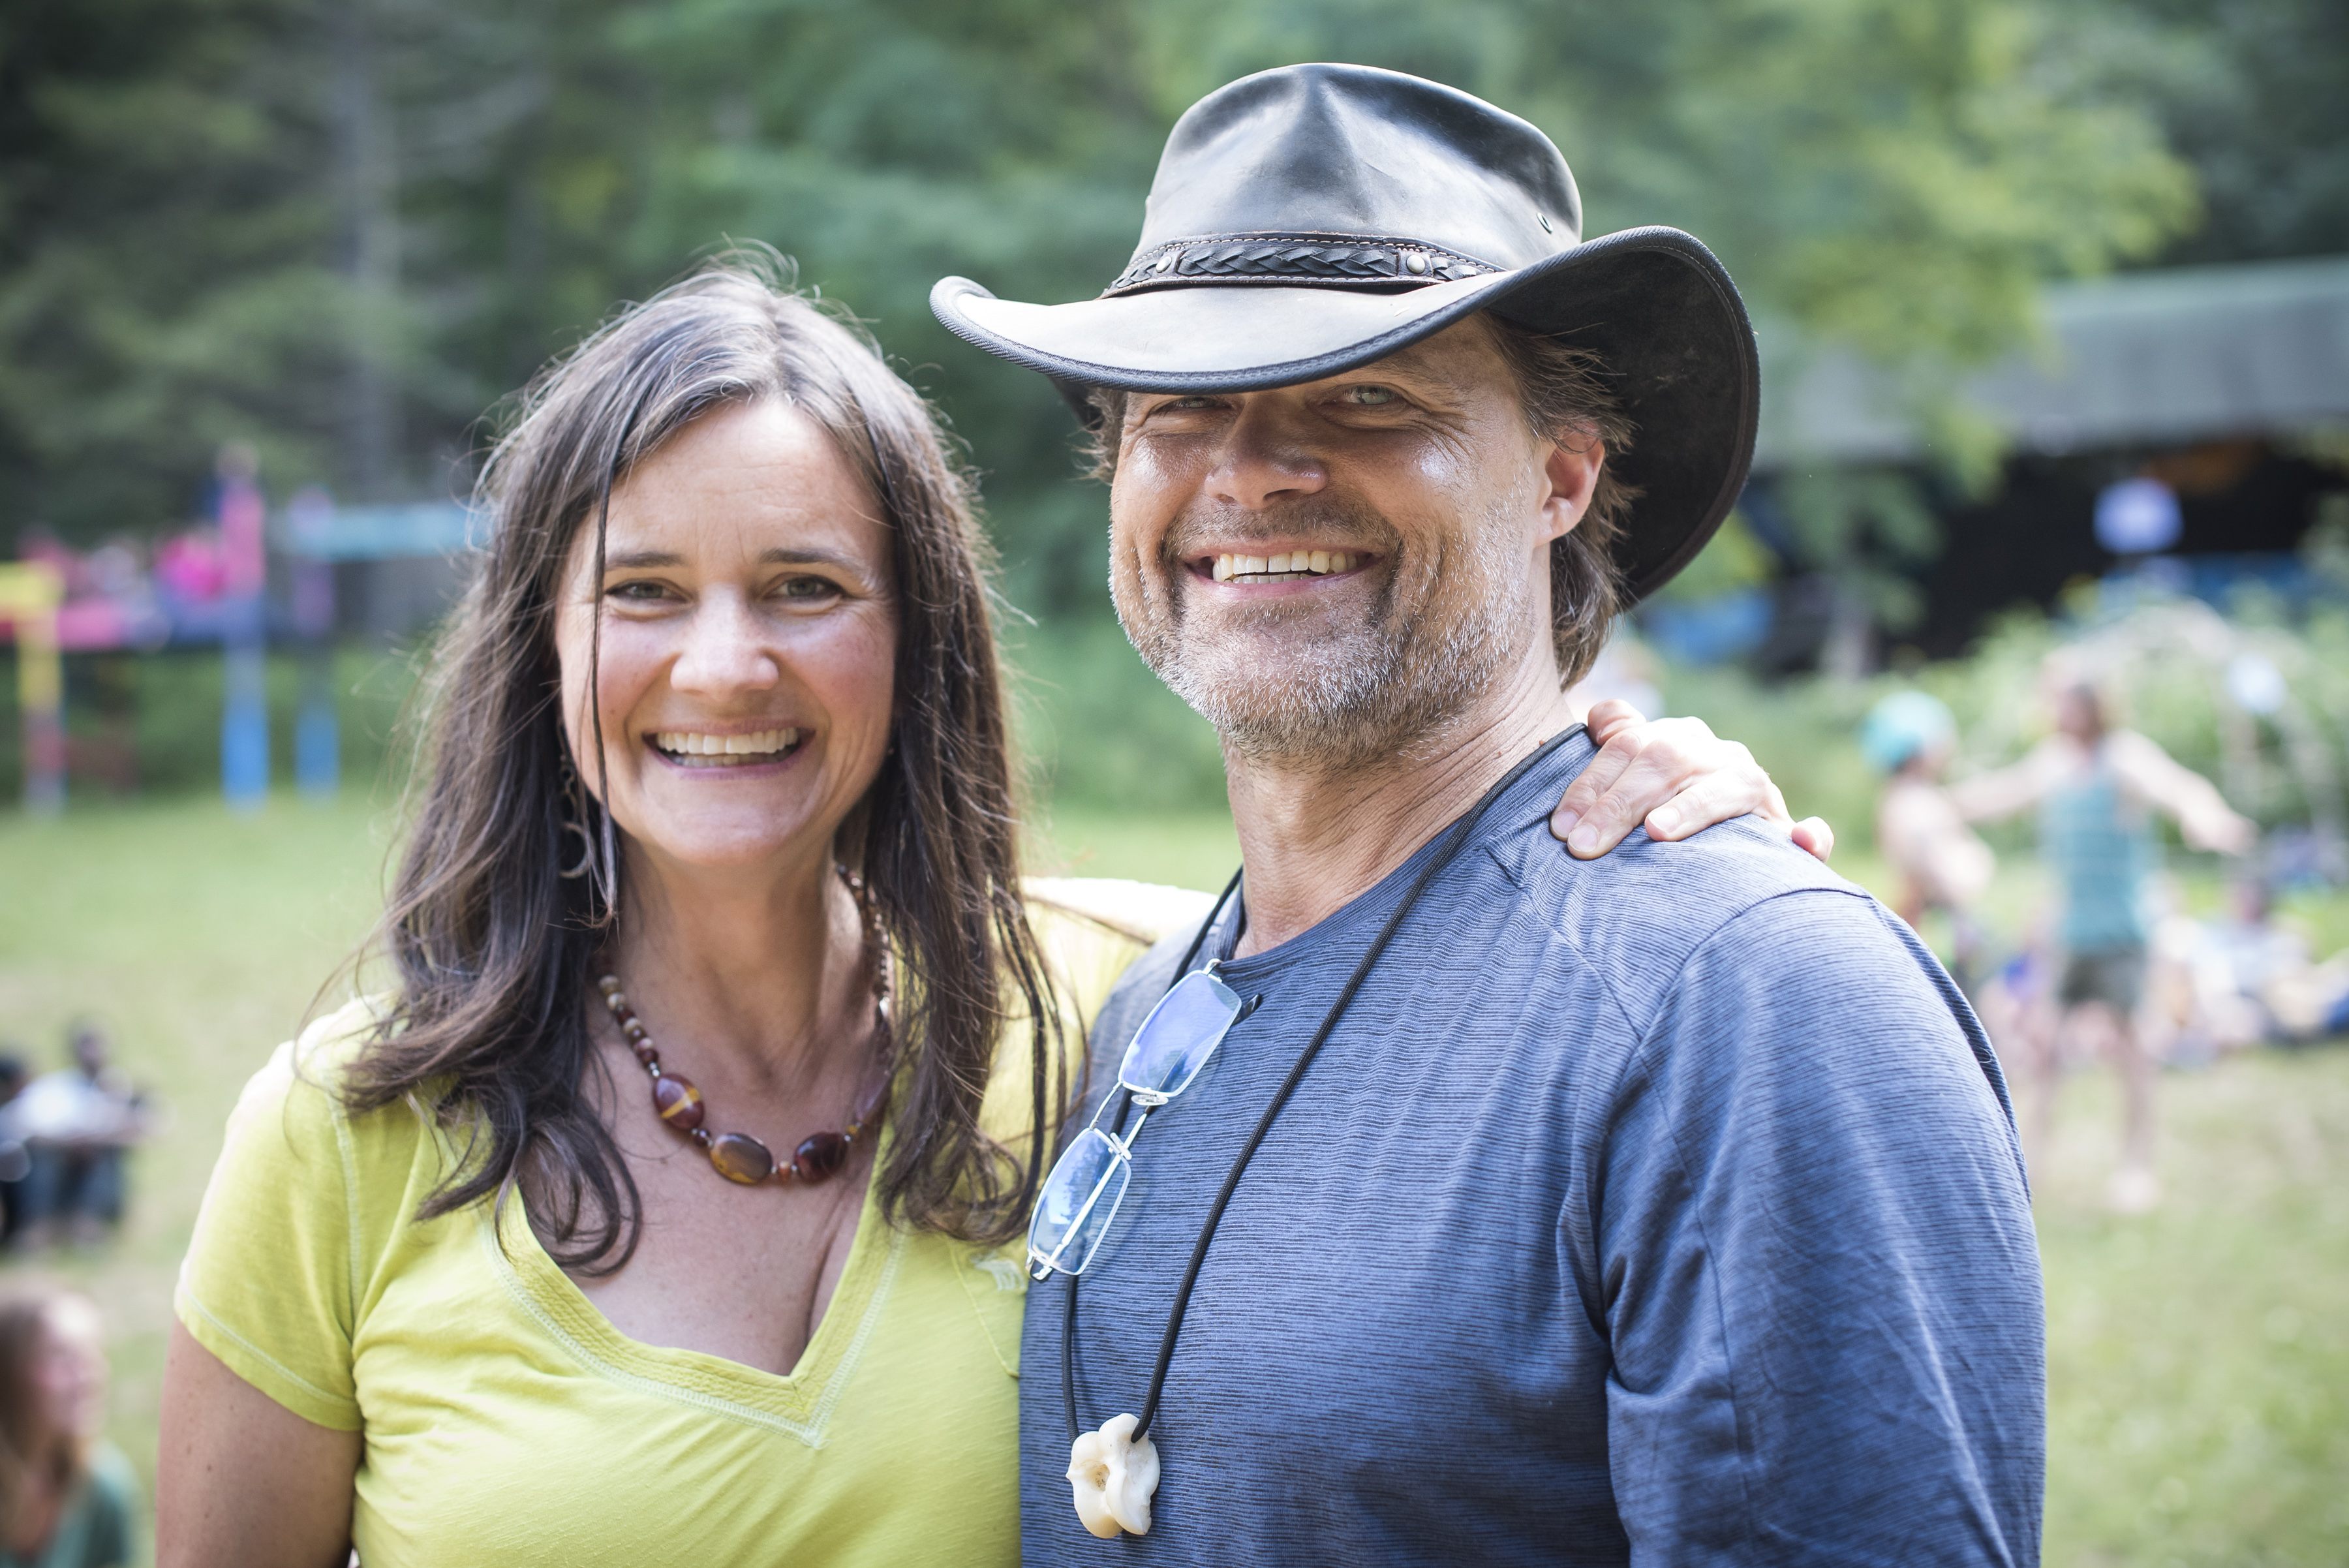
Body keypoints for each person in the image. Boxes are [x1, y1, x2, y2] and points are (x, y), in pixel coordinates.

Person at [157, 260, 1816, 1566]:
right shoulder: (342, 1135)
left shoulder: (1127, 1017)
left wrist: (1675, 820)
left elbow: (1437, 940)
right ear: (542, 648)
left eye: (806, 587)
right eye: (642, 592)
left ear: (917, 635)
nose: (723, 665)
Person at [933, 63, 2043, 1563]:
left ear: (1560, 477)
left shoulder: (1756, 1007)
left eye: (1367, 397)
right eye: (1182, 408)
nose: (1251, 473)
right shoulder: (1143, 1010)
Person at [1951, 668, 2254, 1210]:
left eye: (2065, 701)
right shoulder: (2053, 762)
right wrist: (1942, 802)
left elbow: (2180, 789)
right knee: (2045, 1049)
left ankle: (2137, 1170)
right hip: (2068, 934)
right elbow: (2001, 794)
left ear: (2093, 706)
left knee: (2134, 1050)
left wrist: (2206, 817)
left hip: (2122, 933)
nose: (2055, 710)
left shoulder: (2124, 757)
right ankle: (2030, 1165)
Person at [1863, 690, 1995, 988]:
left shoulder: (1901, 797)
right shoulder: (1914, 802)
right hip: (1942, 937)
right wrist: (1962, 901)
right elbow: (1927, 858)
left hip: (1930, 931)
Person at [0, 1285, 138, 1568]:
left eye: (93, 1352)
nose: (89, 1375)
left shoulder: (103, 1487)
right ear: (10, 1370)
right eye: (61, 1356)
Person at [8, 1025, 147, 1251]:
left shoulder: (119, 1090)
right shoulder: (55, 1089)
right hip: (56, 1159)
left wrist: (95, 1140)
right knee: (45, 1158)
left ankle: (87, 1221)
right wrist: (72, 1144)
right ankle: (39, 1224)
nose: (93, 1055)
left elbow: (145, 1132)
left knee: (106, 1155)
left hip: (95, 1164)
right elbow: (30, 1131)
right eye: (87, 1048)